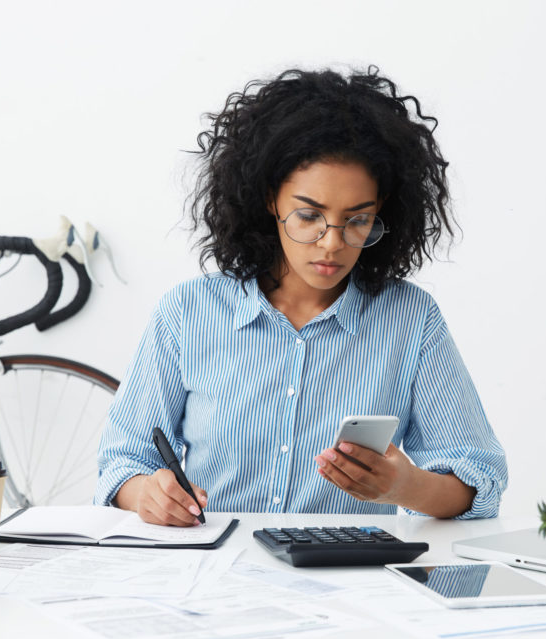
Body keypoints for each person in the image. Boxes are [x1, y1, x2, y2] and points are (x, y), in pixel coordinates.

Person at [95, 66, 507, 526]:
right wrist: (146, 495)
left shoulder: (410, 320)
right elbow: (121, 463)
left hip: (350, 582)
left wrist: (404, 486)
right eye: (309, 215)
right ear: (270, 199)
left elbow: (480, 480)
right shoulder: (188, 313)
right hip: (214, 574)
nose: (332, 243)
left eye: (357, 220)